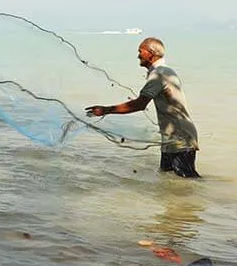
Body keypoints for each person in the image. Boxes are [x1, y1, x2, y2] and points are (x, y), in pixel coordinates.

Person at [85, 37, 200, 178]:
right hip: (172, 137)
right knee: (169, 180)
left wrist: (106, 110)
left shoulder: (159, 74)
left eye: (141, 51)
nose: (138, 55)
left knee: (187, 181)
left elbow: (140, 104)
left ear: (151, 54)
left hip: (180, 138)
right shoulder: (163, 71)